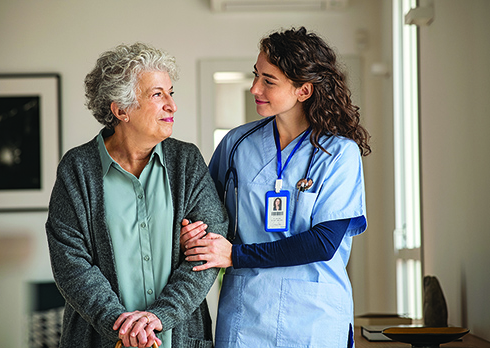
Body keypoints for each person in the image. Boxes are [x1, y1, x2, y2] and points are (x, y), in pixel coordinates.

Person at [180, 27, 370, 348]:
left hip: (314, 316)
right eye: (256, 75)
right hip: (247, 312)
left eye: (269, 81)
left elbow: (323, 243)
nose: (254, 87)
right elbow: (206, 213)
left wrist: (236, 255)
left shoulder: (339, 153)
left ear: (303, 90)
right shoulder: (236, 144)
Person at [45, 42, 228, 348]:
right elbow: (70, 262)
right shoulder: (77, 169)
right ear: (120, 110)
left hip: (179, 338)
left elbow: (209, 249)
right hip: (99, 339)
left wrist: (160, 316)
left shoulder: (186, 161)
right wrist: (121, 325)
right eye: (158, 94)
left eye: (171, 93)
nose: (172, 105)